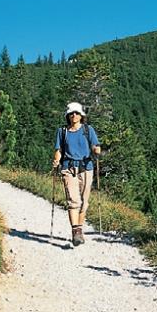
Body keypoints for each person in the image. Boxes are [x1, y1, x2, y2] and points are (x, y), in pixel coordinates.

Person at [52, 102, 101, 246]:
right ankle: (76, 231)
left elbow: (95, 145)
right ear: (68, 116)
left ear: (81, 116)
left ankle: (79, 231)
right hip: (68, 168)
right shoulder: (62, 131)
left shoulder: (87, 129)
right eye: (71, 113)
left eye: (77, 113)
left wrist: (96, 149)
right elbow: (58, 149)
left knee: (84, 202)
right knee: (74, 201)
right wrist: (56, 160)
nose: (74, 116)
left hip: (86, 168)